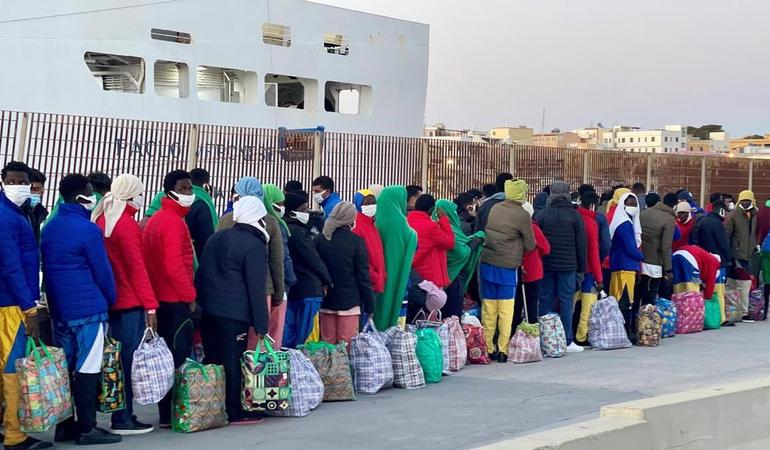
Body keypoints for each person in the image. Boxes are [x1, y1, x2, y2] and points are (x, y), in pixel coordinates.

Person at [41, 173, 121, 445]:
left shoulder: (50, 228)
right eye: (90, 192)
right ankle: (87, 428)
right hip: (89, 309)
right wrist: (110, 299)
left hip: (60, 310)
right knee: (88, 367)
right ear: (81, 197)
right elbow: (102, 271)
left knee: (65, 367)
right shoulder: (88, 230)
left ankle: (64, 426)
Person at [91, 174, 157, 435]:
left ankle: (116, 411)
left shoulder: (102, 216)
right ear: (132, 194)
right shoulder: (127, 224)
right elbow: (137, 269)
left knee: (111, 361)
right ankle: (123, 416)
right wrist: (150, 306)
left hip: (108, 300)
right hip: (129, 300)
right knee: (126, 360)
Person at [197, 196, 269, 424]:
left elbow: (202, 273)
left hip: (208, 310)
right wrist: (261, 324)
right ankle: (235, 410)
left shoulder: (216, 238)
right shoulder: (254, 244)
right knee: (232, 360)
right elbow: (256, 287)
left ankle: (211, 406)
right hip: (234, 313)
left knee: (213, 358)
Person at [0, 161, 53, 450]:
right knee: (12, 370)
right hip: (10, 305)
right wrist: (29, 308)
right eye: (13, 180)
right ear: (3, 181)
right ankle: (14, 436)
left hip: (9, 300)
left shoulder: (13, 213)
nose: (19, 186)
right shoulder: (8, 218)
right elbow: (11, 266)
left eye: (24, 181)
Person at [142, 170, 197, 428]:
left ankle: (166, 413)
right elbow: (175, 265)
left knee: (166, 358)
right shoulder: (173, 223)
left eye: (190, 188)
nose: (189, 193)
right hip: (175, 301)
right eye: (184, 188)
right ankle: (176, 412)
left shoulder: (156, 220)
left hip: (160, 298)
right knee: (178, 358)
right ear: (169, 191)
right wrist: (190, 296)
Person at [218, 178, 286, 348]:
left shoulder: (226, 220)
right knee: (258, 338)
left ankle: (234, 371)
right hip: (263, 287)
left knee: (235, 338)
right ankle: (255, 373)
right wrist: (279, 292)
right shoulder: (270, 221)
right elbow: (277, 261)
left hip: (231, 289)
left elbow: (218, 256)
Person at [480, 179, 535, 362]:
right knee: (505, 310)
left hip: (487, 263)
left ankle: (488, 347)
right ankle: (503, 350)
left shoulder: (495, 208)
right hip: (507, 267)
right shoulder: (522, 215)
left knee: (489, 309)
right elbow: (531, 244)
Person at [315, 202, 374, 347]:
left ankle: (328, 369)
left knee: (327, 343)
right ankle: (345, 370)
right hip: (349, 301)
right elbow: (363, 276)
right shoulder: (356, 242)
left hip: (326, 299)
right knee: (347, 343)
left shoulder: (319, 239)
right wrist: (370, 305)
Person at [537, 181, 586, 353]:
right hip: (568, 266)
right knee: (566, 302)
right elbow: (581, 244)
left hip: (547, 264)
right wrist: (581, 267)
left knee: (545, 300)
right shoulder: (575, 216)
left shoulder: (543, 215)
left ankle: (545, 337)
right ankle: (567, 339)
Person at [283, 192, 333, 347]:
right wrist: (328, 280)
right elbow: (313, 259)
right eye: (304, 210)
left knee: (288, 334)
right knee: (307, 338)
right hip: (309, 289)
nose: (307, 213)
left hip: (291, 290)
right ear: (292, 211)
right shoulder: (298, 232)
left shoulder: (283, 229)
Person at [374, 186, 418, 330]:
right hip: (399, 277)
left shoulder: (376, 221)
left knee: (378, 308)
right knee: (398, 310)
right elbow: (412, 241)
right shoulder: (402, 224)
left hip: (377, 278)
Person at [433, 199, 485, 319]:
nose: (456, 214)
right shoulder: (446, 229)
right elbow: (461, 252)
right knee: (451, 315)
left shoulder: (443, 227)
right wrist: (476, 240)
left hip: (439, 279)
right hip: (451, 279)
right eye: (454, 212)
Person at [263, 184, 297, 347]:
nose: (283, 208)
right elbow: (282, 258)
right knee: (275, 330)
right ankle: (272, 368)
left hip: (261, 286)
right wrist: (291, 279)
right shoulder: (275, 225)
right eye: (280, 203)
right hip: (278, 285)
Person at [608, 192, 644, 341]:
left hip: (618, 265)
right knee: (626, 301)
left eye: (634, 204)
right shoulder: (625, 225)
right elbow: (630, 248)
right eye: (629, 204)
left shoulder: (620, 221)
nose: (633, 207)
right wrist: (642, 258)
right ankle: (626, 333)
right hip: (626, 267)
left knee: (619, 299)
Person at [690, 200, 731, 322]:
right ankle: (720, 318)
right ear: (722, 211)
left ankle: (705, 316)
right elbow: (723, 243)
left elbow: (694, 238)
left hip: (703, 259)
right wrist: (728, 259)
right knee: (718, 289)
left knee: (706, 287)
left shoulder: (702, 220)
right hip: (718, 260)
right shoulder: (717, 224)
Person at [407, 194, 455, 289]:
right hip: (430, 276)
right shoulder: (431, 227)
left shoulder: (407, 221)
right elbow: (449, 242)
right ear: (431, 209)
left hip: (412, 272)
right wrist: (443, 219)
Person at [516, 202, 550, 331]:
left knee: (516, 306)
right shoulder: (533, 228)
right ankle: (532, 335)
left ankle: (515, 334)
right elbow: (546, 248)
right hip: (533, 271)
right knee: (531, 306)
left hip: (515, 269)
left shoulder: (512, 227)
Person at [574, 191, 602, 345]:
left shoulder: (575, 217)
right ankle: (581, 336)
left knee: (569, 304)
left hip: (573, 269)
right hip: (589, 271)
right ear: (593, 205)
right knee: (587, 306)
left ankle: (566, 334)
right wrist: (599, 277)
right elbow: (594, 252)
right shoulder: (591, 223)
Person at [725, 190, 758, 320]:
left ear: (752, 201)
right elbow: (727, 235)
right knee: (744, 283)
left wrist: (754, 246)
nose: (745, 203)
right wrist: (728, 254)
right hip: (736, 253)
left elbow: (752, 233)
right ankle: (743, 312)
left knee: (736, 283)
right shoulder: (733, 215)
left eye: (748, 200)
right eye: (743, 200)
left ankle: (735, 311)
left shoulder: (754, 214)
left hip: (748, 253)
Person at [638, 192, 676, 307]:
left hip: (640, 260)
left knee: (639, 293)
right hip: (654, 264)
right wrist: (668, 269)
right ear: (674, 205)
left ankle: (635, 322)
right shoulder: (669, 219)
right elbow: (666, 247)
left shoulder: (644, 213)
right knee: (651, 296)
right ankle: (647, 323)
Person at [352, 189, 386, 295]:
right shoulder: (356, 227)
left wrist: (382, 275)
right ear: (358, 205)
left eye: (373, 202)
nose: (371, 206)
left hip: (375, 282)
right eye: (367, 203)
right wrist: (375, 277)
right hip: (366, 283)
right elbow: (359, 259)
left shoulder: (373, 225)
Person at [186, 168, 218, 258]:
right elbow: (207, 234)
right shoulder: (203, 203)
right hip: (199, 256)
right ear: (206, 185)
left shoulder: (184, 199)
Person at [21, 168, 49, 243]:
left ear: (42, 191)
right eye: (28, 189)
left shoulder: (38, 212)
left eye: (35, 189)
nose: (30, 193)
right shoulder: (15, 213)